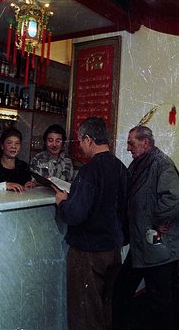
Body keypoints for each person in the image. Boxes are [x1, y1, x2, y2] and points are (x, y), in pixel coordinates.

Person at [112, 125, 179, 330]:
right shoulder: (140, 163)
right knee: (126, 289)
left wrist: (154, 220)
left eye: (132, 143)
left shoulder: (161, 164)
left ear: (145, 142)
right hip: (144, 242)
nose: (128, 148)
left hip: (156, 244)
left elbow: (175, 200)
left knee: (160, 299)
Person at [55, 117, 128, 330]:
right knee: (104, 310)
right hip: (113, 250)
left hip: (88, 254)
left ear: (88, 139)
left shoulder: (89, 171)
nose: (81, 147)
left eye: (80, 141)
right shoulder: (121, 168)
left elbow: (75, 215)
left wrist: (62, 203)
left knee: (85, 315)